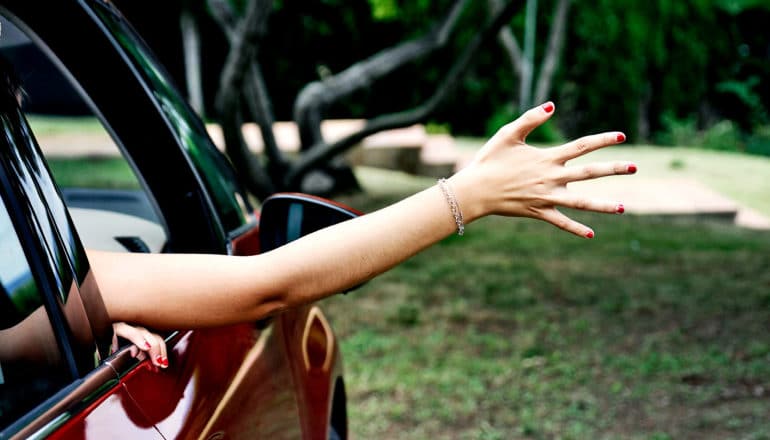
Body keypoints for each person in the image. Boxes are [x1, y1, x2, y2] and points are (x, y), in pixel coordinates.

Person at [87, 101, 635, 333]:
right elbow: (264, 284)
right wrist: (470, 195)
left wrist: (93, 322)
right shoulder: (39, 296)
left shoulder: (30, 305)